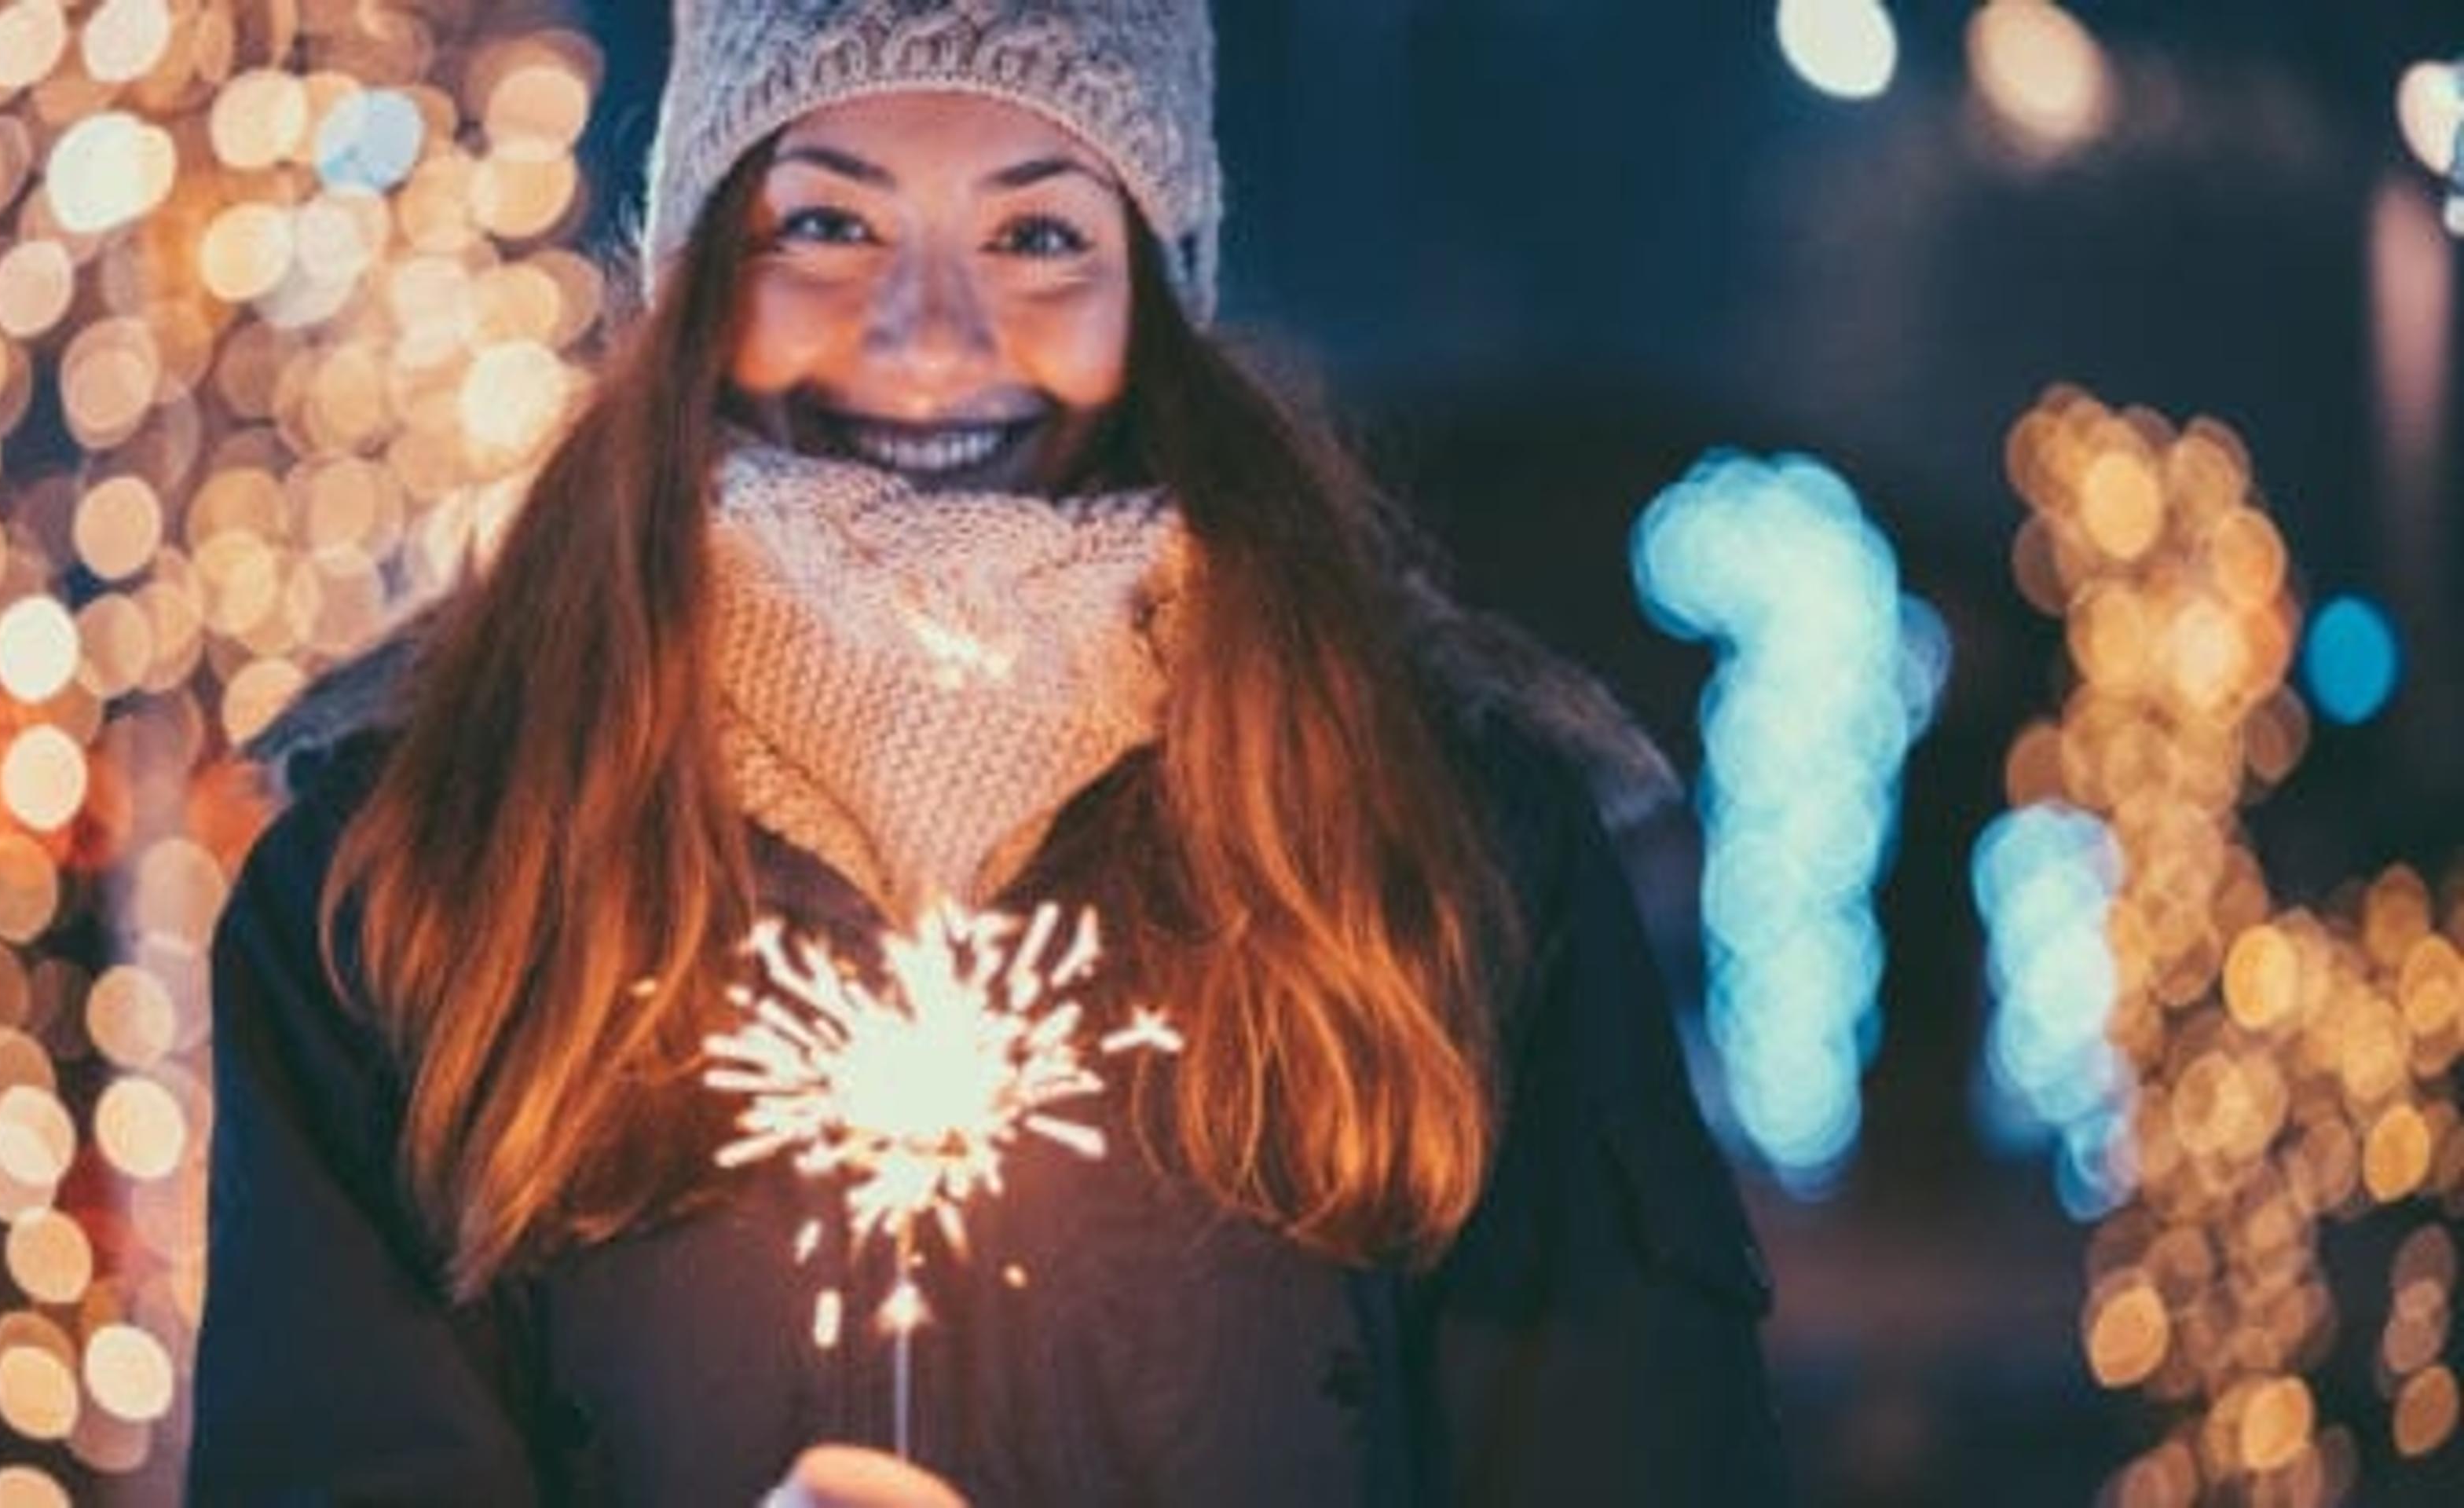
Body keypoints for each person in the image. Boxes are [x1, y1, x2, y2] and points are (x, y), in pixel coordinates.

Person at [190, 1, 1788, 1503]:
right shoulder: (400, 893)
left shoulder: (1439, 859)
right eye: (826, 221)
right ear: (694, 270)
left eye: (1038, 235)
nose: (932, 334)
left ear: (1156, 291)